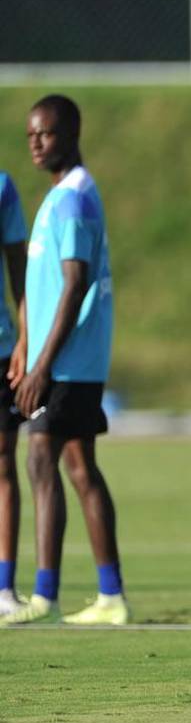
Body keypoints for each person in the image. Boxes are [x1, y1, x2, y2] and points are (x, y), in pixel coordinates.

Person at [5, 94, 128, 626]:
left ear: (72, 135)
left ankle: (45, 597)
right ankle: (110, 597)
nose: (36, 143)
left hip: (68, 362)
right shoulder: (60, 196)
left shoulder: (75, 199)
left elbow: (75, 285)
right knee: (79, 467)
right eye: (31, 135)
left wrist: (41, 366)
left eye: (47, 134)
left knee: (40, 459)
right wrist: (24, 346)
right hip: (62, 359)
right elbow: (41, 286)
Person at [0, 170, 28, 616]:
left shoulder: (2, 188)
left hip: (1, 348)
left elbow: (20, 274)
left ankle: (3, 588)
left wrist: (27, 339)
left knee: (3, 463)